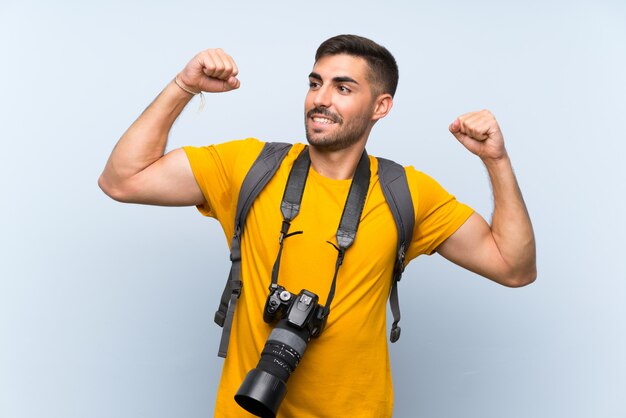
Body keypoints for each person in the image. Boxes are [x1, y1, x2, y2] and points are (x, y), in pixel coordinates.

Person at [99, 34, 536, 418]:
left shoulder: (408, 192)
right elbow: (121, 180)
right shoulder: (250, 167)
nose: (320, 98)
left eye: (343, 88)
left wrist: (496, 160)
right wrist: (184, 85)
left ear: (381, 106)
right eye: (315, 83)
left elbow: (514, 267)